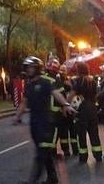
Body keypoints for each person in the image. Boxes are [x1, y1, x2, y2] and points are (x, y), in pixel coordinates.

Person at [13, 56, 76, 184]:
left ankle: (32, 180)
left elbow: (56, 94)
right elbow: (24, 103)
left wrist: (66, 104)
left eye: (30, 67)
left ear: (37, 68)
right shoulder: (29, 86)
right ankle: (53, 178)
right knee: (45, 153)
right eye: (27, 68)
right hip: (34, 125)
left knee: (41, 154)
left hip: (46, 124)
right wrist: (17, 116)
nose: (28, 70)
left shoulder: (45, 83)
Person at [68, 62, 102, 163]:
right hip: (92, 109)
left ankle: (83, 157)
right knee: (94, 133)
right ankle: (98, 155)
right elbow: (96, 95)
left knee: (81, 135)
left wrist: (65, 104)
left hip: (82, 110)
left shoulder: (78, 81)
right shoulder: (93, 81)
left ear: (79, 70)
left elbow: (72, 94)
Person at [43, 58, 65, 159]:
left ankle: (47, 151)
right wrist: (65, 106)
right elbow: (61, 94)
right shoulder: (55, 80)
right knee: (55, 132)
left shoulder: (42, 78)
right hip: (54, 111)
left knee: (46, 132)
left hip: (43, 111)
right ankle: (52, 153)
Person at [57, 64, 78, 157]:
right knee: (63, 133)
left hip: (69, 109)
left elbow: (74, 90)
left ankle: (75, 150)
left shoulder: (70, 81)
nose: (62, 72)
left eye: (64, 70)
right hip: (62, 110)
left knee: (72, 131)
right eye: (61, 70)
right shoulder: (58, 82)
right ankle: (66, 151)